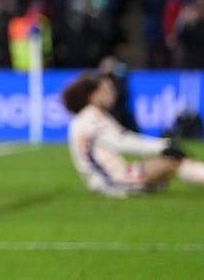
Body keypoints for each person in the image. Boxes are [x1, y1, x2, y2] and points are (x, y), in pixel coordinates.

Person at [62, 69, 204, 197]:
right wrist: (163, 146)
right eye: (106, 89)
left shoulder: (97, 116)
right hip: (112, 182)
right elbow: (121, 142)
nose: (113, 93)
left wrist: (163, 147)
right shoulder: (90, 120)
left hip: (119, 175)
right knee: (173, 161)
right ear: (92, 95)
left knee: (173, 160)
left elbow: (124, 138)